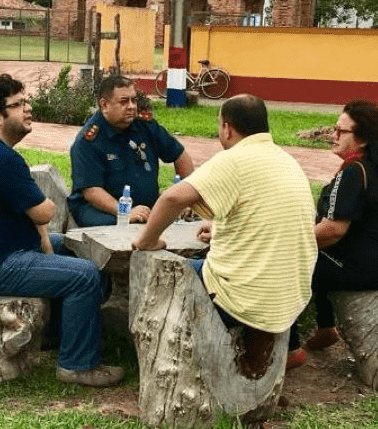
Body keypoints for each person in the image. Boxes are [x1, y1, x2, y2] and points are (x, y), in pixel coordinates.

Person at [0, 73, 123, 387]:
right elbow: (45, 211)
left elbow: (35, 218)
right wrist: (43, 217)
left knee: (71, 245)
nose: (28, 109)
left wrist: (41, 227)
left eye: (26, 101)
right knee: (85, 275)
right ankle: (77, 365)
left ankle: (59, 335)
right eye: (17, 105)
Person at [131, 94, 316, 351]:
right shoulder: (287, 161)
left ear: (227, 128)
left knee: (160, 272)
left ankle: (168, 349)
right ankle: (283, 349)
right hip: (290, 296)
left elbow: (172, 198)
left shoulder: (233, 160)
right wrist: (219, 229)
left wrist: (147, 240)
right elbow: (262, 216)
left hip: (244, 299)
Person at [287, 99, 378, 367]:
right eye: (334, 129)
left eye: (341, 131)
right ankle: (325, 327)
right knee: (316, 252)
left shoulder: (355, 171)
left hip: (363, 265)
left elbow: (332, 231)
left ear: (363, 138)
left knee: (292, 262)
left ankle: (290, 348)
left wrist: (286, 241)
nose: (333, 135)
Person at [68, 74, 195, 227]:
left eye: (133, 100)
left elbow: (180, 155)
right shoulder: (88, 140)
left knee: (186, 221)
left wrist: (185, 197)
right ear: (104, 105)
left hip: (145, 208)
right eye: (124, 101)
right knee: (124, 227)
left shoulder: (144, 125)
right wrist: (125, 212)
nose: (132, 106)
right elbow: (92, 192)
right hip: (100, 210)